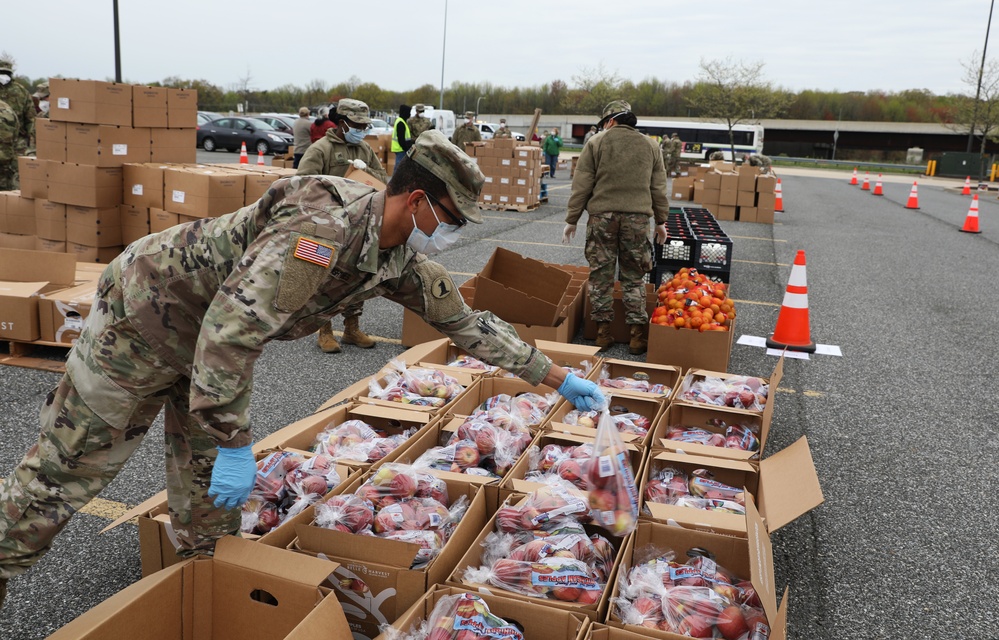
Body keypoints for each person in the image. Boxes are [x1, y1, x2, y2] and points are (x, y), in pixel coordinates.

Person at [0, 130, 606, 610]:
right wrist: (238, 442)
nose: (452, 234)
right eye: (452, 218)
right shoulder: (321, 229)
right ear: (419, 199)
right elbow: (232, 331)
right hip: (144, 321)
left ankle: (201, 595)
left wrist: (556, 378)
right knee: (69, 471)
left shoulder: (396, 257)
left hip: (213, 346)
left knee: (209, 499)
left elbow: (467, 324)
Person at [562, 100, 670, 355]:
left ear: (610, 121)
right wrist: (662, 221)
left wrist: (572, 219)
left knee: (601, 276)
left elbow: (582, 185)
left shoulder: (596, 142)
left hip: (602, 217)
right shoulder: (650, 145)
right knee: (634, 277)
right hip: (638, 220)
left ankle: (602, 334)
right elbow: (658, 188)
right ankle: (636, 337)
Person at [297, 98, 388, 354]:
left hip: (359, 227)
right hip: (327, 226)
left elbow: (381, 179)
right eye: (356, 125)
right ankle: (324, 331)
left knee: (357, 278)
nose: (361, 130)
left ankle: (351, 328)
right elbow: (302, 184)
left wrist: (366, 170)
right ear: (341, 123)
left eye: (364, 125)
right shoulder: (321, 149)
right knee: (323, 280)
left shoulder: (364, 150)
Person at [0, 55, 33, 190]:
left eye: (6, 73)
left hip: (17, 141)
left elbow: (30, 118)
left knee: (15, 176)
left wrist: (32, 142)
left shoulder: (21, 92)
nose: (3, 76)